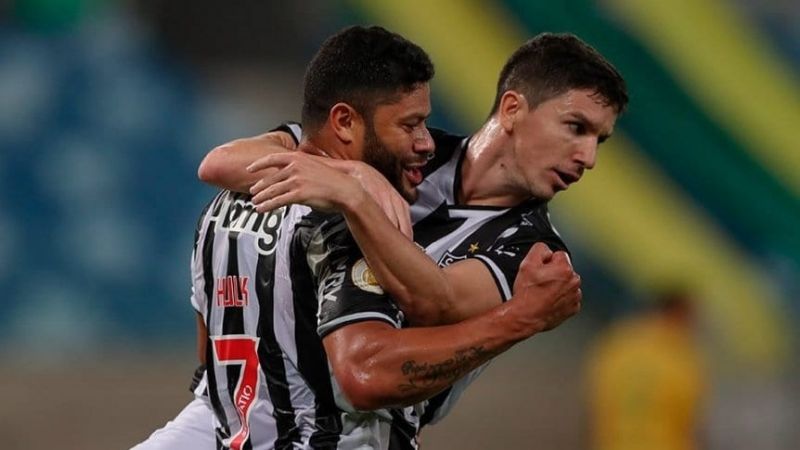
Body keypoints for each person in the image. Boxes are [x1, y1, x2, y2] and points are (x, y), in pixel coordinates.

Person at [133, 26, 587, 450]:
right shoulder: (350, 221)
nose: (426, 142)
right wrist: (520, 318)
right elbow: (370, 372)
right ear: (345, 123)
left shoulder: (224, 203)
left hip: (227, 428)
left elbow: (208, 354)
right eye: (409, 125)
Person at [585, 288, 707, 450]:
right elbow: (691, 421)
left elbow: (595, 404)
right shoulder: (680, 355)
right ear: (679, 313)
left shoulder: (616, 345)